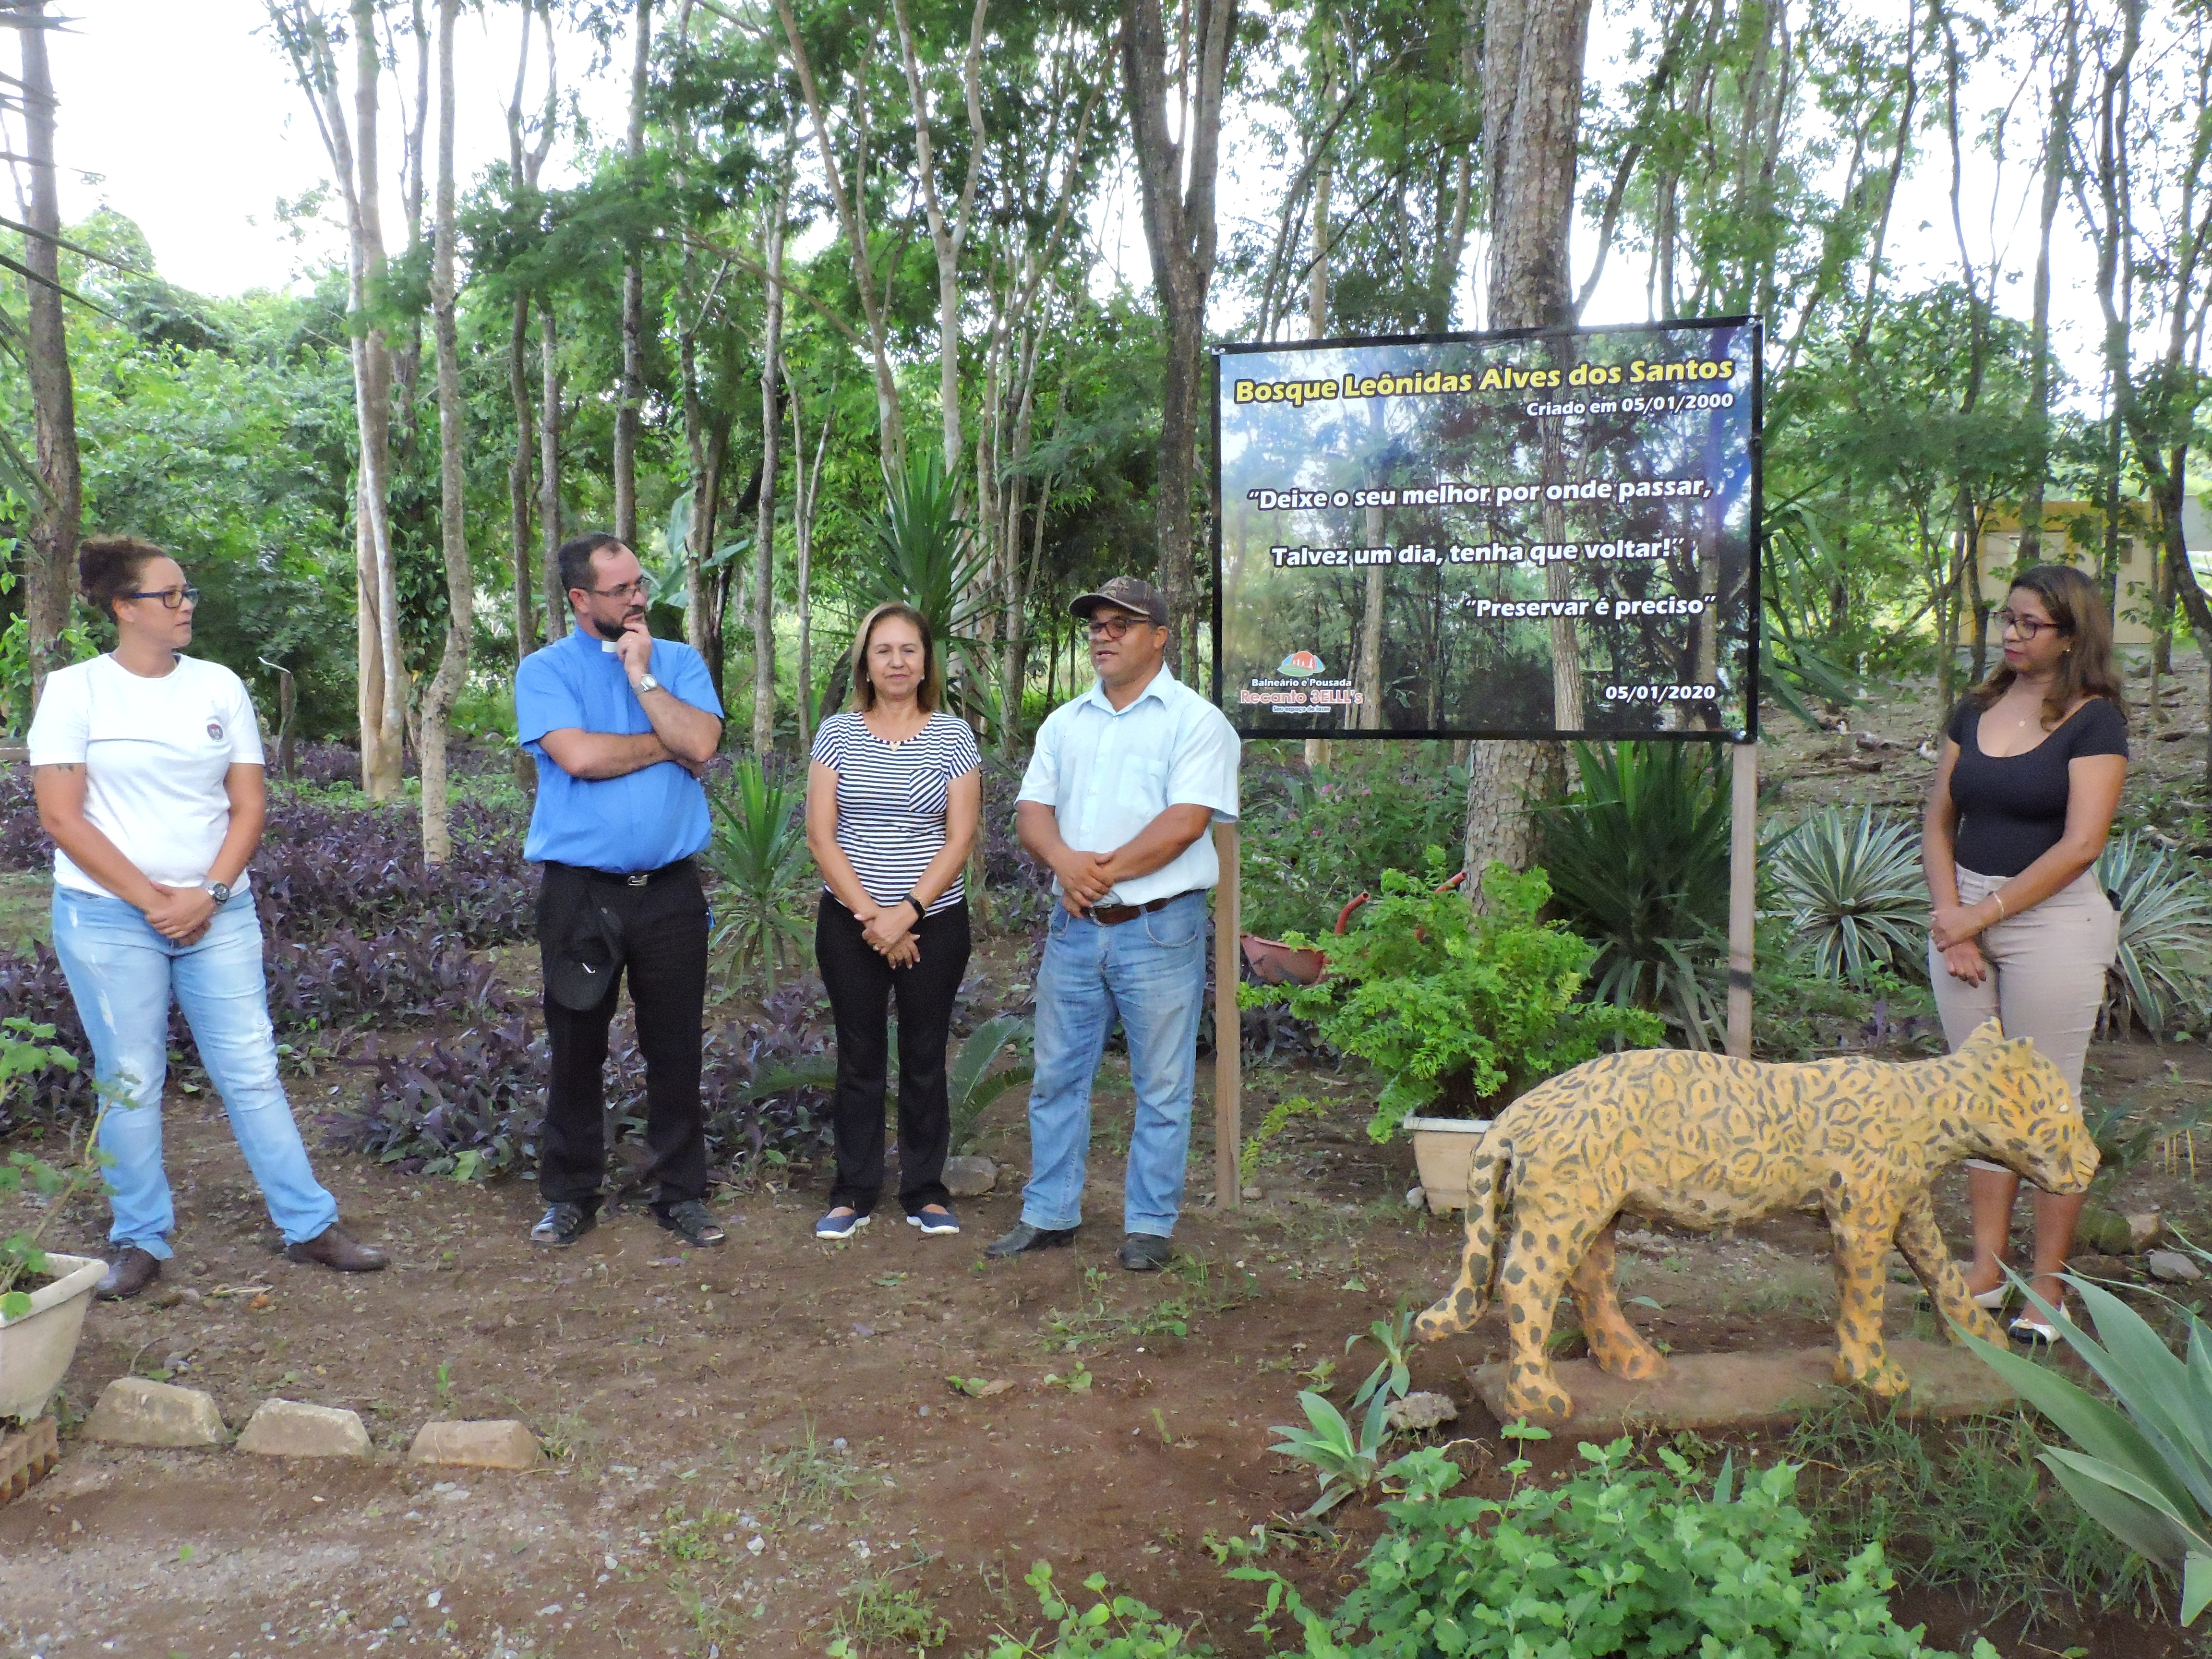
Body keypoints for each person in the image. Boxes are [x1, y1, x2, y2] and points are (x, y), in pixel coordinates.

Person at [29, 536, 386, 1300]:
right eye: (170, 595)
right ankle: (139, 1238)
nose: (186, 604)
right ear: (125, 608)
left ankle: (309, 1226)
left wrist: (210, 896)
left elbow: (249, 804)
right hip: (108, 915)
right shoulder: (74, 691)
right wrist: (156, 901)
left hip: (218, 912)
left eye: (188, 592)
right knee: (129, 1079)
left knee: (252, 1069)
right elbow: (62, 819)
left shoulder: (219, 686)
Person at [987, 576, 1240, 1272]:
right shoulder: (1065, 723)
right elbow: (1032, 813)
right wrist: (1068, 866)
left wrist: (1098, 874)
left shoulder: (1196, 722)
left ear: (1160, 637)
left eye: (1120, 624)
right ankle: (1050, 1213)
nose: (1103, 634)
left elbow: (1186, 822)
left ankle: (1150, 1226)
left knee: (1160, 1084)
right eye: (1096, 624)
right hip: (1075, 928)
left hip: (1159, 929)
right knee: (1057, 1075)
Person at [1923, 563, 2127, 1341]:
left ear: (2070, 634)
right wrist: (1953, 916)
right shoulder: (1973, 707)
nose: (2011, 634)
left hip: (2052, 924)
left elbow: (2081, 845)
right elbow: (1938, 820)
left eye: (2029, 624)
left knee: (2046, 1108)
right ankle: (1984, 1268)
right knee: (1982, 1102)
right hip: (1965, 914)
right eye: (2005, 619)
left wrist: (1983, 917)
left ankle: (2047, 1289)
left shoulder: (2093, 719)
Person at [515, 531, 727, 1250]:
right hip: (582, 892)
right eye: (621, 590)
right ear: (581, 600)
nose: (638, 599)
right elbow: (577, 756)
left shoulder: (678, 663)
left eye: (640, 584)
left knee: (677, 1049)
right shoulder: (544, 671)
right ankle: (570, 1195)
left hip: (670, 889)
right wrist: (667, 743)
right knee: (577, 1045)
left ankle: (681, 1195)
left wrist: (644, 680)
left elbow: (704, 744)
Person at [805, 603, 982, 1241]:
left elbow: (960, 835)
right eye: (885, 650)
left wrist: (905, 913)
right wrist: (872, 917)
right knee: (858, 1055)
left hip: (933, 921)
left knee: (925, 1052)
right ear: (866, 662)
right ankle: (853, 1189)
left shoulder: (954, 737)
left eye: (910, 650)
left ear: (926, 661)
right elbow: (822, 836)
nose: (898, 662)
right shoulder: (837, 734)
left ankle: (925, 1189)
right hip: (850, 921)